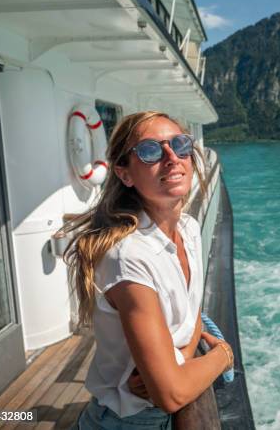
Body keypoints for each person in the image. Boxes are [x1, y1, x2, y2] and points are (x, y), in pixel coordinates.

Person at [63, 111, 233, 429]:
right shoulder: (128, 256)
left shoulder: (189, 228)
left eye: (180, 144)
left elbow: (190, 315)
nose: (171, 157)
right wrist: (223, 355)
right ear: (125, 174)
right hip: (130, 421)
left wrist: (177, 360)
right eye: (150, 151)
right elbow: (170, 394)